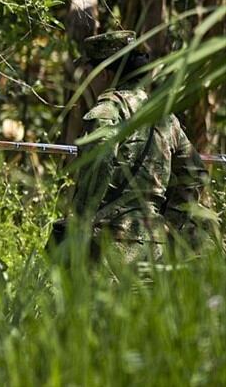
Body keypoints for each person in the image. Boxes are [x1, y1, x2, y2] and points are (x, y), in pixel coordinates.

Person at [61, 30, 211, 262]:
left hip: (106, 245)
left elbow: (99, 166)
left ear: (106, 73)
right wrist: (171, 222)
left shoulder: (107, 111)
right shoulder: (165, 116)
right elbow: (195, 173)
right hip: (154, 245)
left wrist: (80, 222)